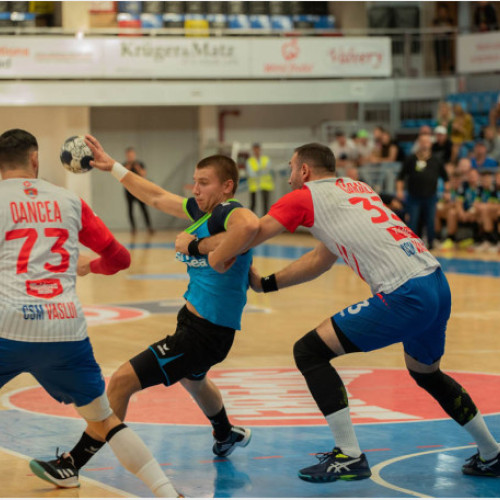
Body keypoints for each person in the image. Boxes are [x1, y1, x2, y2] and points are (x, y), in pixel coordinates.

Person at [184, 143, 500, 482]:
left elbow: (247, 233)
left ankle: (348, 454)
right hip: (436, 284)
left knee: (309, 351)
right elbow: (321, 258)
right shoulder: (356, 187)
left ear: (304, 171)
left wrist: (192, 244)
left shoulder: (303, 197)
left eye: (291, 169)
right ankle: (492, 453)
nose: (289, 178)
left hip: (405, 294)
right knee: (427, 374)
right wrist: (267, 283)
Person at [31, 134, 259, 486]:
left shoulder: (229, 212)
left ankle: (72, 464)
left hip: (205, 333)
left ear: (227, 186)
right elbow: (155, 196)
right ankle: (225, 432)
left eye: (204, 183)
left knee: (121, 381)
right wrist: (113, 168)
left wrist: (196, 245)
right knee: (194, 380)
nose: (195, 189)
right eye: (195, 182)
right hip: (197, 325)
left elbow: (249, 225)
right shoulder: (205, 212)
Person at [0, 129, 178, 497]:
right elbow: (120, 259)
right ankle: (167, 493)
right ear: (35, 160)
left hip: (8, 325)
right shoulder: (69, 201)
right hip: (65, 330)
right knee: (105, 420)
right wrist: (88, 268)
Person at [397, 133, 449, 250]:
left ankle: (431, 242)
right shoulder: (411, 159)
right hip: (413, 196)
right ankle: (411, 244)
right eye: (422, 141)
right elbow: (401, 176)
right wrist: (399, 190)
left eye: (427, 141)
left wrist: (447, 191)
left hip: (430, 196)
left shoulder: (436, 160)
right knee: (413, 221)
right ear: (419, 143)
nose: (425, 144)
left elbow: (445, 178)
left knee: (431, 221)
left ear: (430, 143)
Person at [123, 147, 154, 234]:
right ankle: (133, 228)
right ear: (126, 155)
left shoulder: (139, 164)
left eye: (132, 155)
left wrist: (137, 168)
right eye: (129, 155)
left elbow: (143, 174)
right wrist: (129, 166)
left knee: (144, 209)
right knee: (130, 210)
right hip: (129, 190)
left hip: (139, 190)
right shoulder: (125, 165)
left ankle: (149, 227)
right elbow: (123, 175)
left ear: (134, 155)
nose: (130, 156)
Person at [245, 143, 275, 215]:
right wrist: (260, 170)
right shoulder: (249, 161)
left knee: (265, 204)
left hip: (265, 185)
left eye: (257, 149)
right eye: (255, 149)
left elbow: (268, 169)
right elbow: (251, 173)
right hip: (254, 186)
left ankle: (265, 220)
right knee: (253, 204)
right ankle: (251, 220)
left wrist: (257, 171)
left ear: (260, 149)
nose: (256, 151)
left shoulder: (266, 159)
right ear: (253, 150)